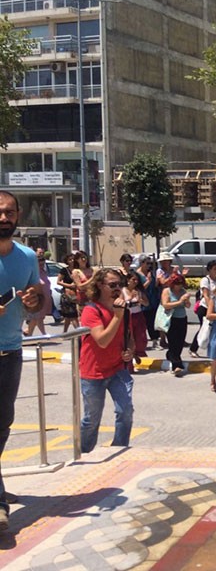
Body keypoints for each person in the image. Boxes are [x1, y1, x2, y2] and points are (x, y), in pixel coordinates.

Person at [0, 190, 44, 532]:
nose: (4, 218)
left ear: (18, 216)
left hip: (10, 353)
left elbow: (38, 303)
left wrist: (32, 301)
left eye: (9, 212)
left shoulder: (27, 256)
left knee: (3, 426)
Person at [78, 268, 134, 454]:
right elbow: (102, 340)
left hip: (118, 368)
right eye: (112, 285)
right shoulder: (91, 310)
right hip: (94, 372)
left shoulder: (123, 310)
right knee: (92, 419)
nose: (117, 288)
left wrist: (130, 351)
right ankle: (83, 453)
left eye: (119, 284)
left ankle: (119, 450)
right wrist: (117, 316)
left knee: (125, 411)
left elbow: (129, 336)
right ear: (100, 286)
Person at [160, 272, 191, 377]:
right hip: (171, 319)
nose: (179, 286)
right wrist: (179, 302)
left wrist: (186, 302)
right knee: (173, 342)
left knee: (180, 341)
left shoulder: (183, 291)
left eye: (181, 283)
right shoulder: (167, 291)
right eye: (177, 283)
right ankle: (176, 365)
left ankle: (171, 356)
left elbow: (187, 306)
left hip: (182, 318)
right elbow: (165, 305)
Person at [189, 260, 216, 357]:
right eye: (215, 269)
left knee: (213, 329)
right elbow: (206, 295)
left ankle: (213, 349)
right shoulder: (205, 280)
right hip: (205, 307)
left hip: (214, 306)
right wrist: (210, 307)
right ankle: (193, 348)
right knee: (204, 328)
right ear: (209, 269)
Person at [121, 270, 149, 365]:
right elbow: (121, 304)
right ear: (128, 280)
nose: (135, 282)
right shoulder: (122, 290)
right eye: (133, 280)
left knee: (140, 337)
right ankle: (131, 359)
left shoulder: (139, 291)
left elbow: (147, 303)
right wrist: (129, 299)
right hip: (128, 316)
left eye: (137, 280)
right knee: (130, 338)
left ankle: (137, 353)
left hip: (138, 315)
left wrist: (141, 301)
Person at [24, 248, 53, 336]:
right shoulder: (33, 271)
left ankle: (41, 334)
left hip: (45, 298)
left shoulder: (44, 271)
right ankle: (30, 334)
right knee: (35, 318)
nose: (41, 262)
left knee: (40, 318)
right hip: (36, 298)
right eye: (39, 261)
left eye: (42, 260)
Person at [155, 252, 181, 349]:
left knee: (175, 316)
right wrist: (173, 274)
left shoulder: (174, 269)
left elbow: (179, 280)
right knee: (164, 317)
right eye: (162, 261)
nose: (163, 263)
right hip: (165, 295)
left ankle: (177, 338)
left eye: (165, 261)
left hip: (175, 294)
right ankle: (162, 339)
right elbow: (163, 283)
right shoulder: (160, 271)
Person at [136, 255, 161, 349]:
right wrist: (148, 281)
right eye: (147, 263)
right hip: (143, 300)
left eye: (150, 263)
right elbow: (139, 288)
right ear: (142, 263)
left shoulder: (150, 273)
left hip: (153, 299)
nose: (149, 265)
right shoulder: (137, 274)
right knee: (144, 323)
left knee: (153, 322)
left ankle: (155, 340)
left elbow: (155, 285)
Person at [57, 252, 80, 331]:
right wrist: (69, 285)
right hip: (67, 295)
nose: (72, 261)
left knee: (68, 316)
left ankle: (65, 332)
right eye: (70, 259)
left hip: (76, 294)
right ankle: (79, 333)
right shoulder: (64, 270)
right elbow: (58, 281)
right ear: (67, 261)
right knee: (73, 315)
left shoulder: (78, 270)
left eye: (73, 259)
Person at [71, 250, 94, 315]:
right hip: (83, 299)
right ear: (77, 260)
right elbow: (80, 286)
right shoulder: (76, 271)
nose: (84, 259)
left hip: (94, 297)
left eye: (85, 257)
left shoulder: (92, 270)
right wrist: (92, 278)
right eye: (82, 258)